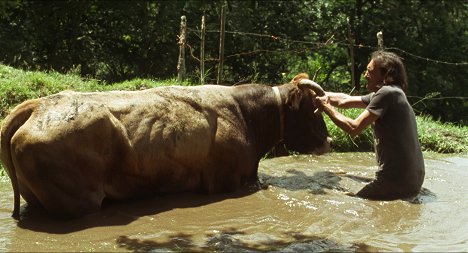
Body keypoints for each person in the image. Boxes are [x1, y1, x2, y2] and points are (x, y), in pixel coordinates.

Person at [315, 50, 425, 200]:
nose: (365, 75)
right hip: (413, 181)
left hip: (396, 181)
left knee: (351, 201)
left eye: (370, 72)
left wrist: (326, 107)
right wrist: (315, 93)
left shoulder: (387, 93)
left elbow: (353, 128)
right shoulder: (392, 93)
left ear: (386, 77)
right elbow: (344, 100)